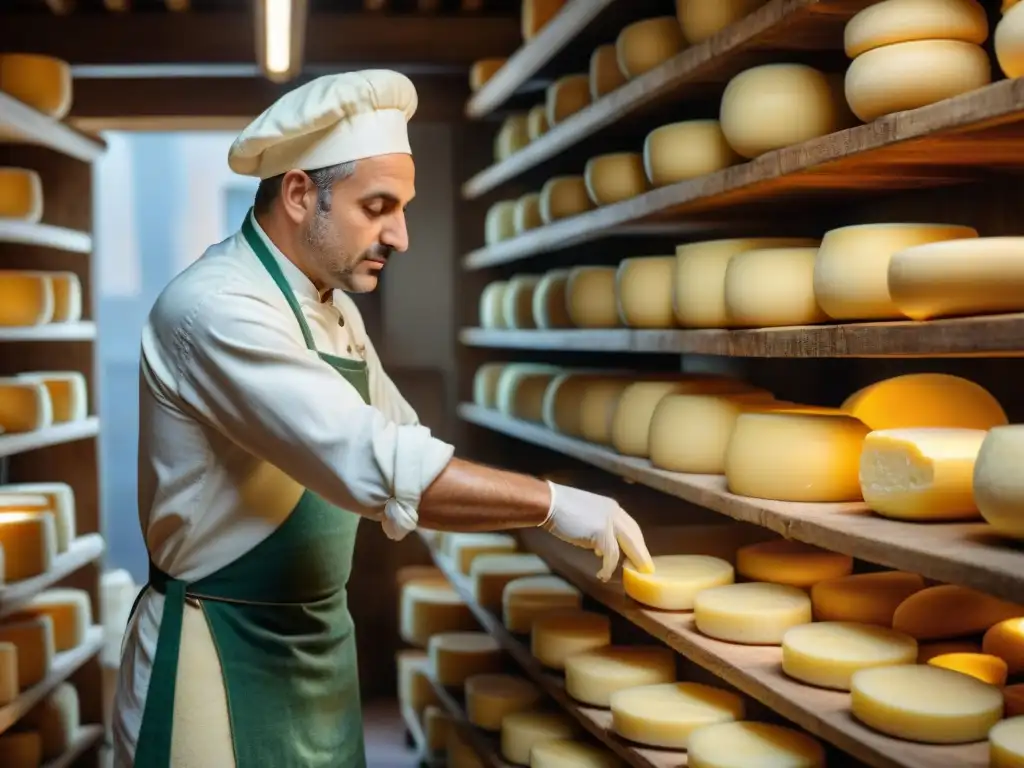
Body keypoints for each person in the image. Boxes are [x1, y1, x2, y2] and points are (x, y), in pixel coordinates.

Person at [112, 69, 653, 768]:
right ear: (301, 193)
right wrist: (552, 505)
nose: (399, 234)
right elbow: (377, 464)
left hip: (315, 646)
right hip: (215, 653)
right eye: (377, 206)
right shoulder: (217, 310)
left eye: (402, 208)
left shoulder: (335, 311)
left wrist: (520, 507)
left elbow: (406, 443)